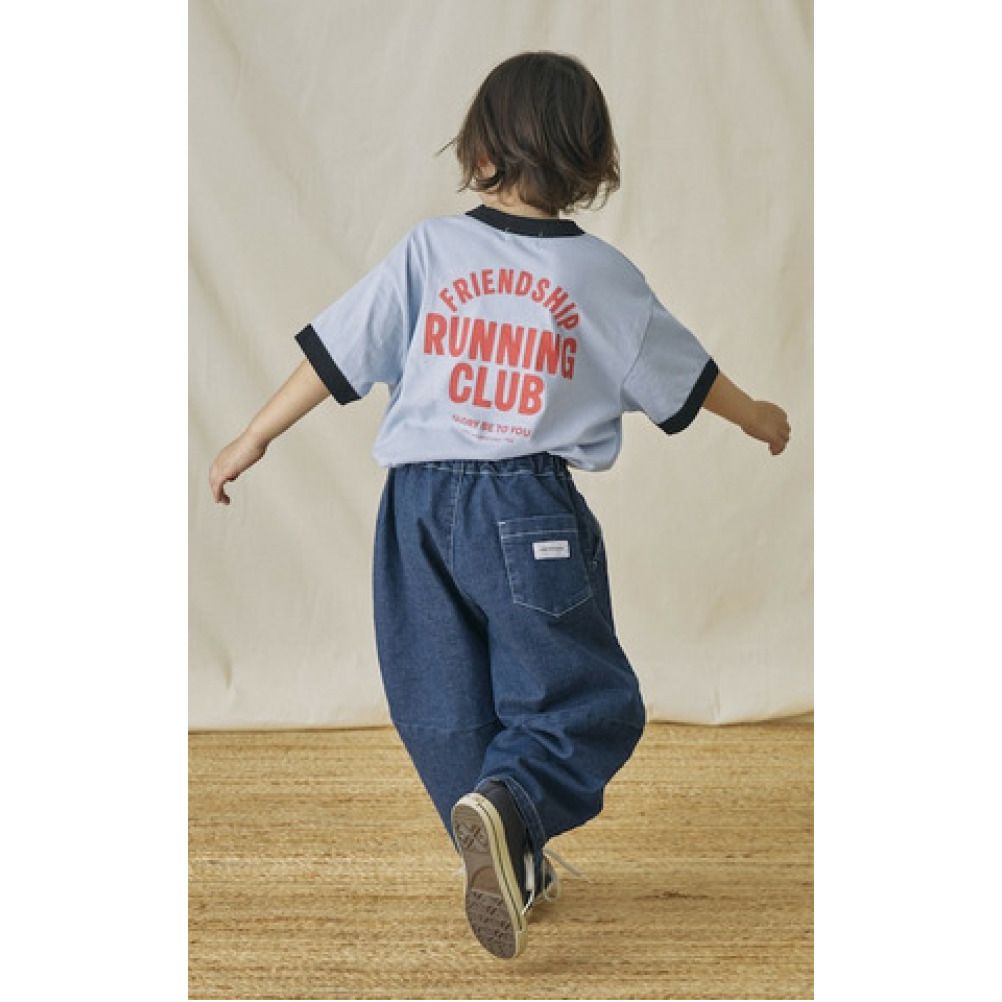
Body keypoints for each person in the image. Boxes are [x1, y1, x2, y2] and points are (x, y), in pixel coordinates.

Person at [208, 50, 791, 961]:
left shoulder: (429, 251)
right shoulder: (602, 277)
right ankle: (512, 814)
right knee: (582, 699)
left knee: (443, 702)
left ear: (479, 152)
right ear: (592, 161)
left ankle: (508, 851)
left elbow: (336, 353)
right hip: (526, 510)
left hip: (414, 512)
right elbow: (692, 381)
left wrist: (253, 434)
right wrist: (759, 417)